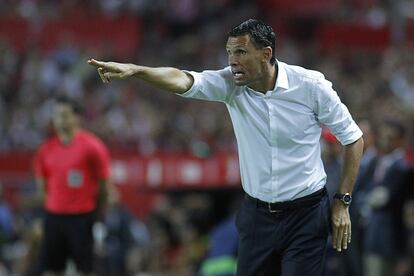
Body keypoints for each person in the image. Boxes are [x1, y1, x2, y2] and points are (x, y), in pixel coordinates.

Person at [88, 19, 364, 276]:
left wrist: (342, 202)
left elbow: (353, 138)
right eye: (229, 52)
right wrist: (137, 71)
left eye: (241, 52)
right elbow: (183, 79)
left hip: (306, 215)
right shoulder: (230, 84)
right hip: (257, 217)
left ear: (266, 54)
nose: (233, 61)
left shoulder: (311, 87)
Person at [34, 96, 111, 276]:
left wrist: (97, 215)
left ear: (77, 117)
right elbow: (42, 187)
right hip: (54, 218)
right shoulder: (45, 150)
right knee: (53, 269)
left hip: (82, 218)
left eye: (65, 115)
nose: (60, 120)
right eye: (57, 116)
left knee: (85, 269)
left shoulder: (93, 147)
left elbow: (104, 187)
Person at [363, 120, 411, 276]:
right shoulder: (379, 162)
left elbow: (385, 199)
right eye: (384, 136)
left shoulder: (403, 168)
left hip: (392, 240)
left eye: (391, 137)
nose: (386, 140)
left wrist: (406, 255)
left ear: (401, 140)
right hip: (374, 236)